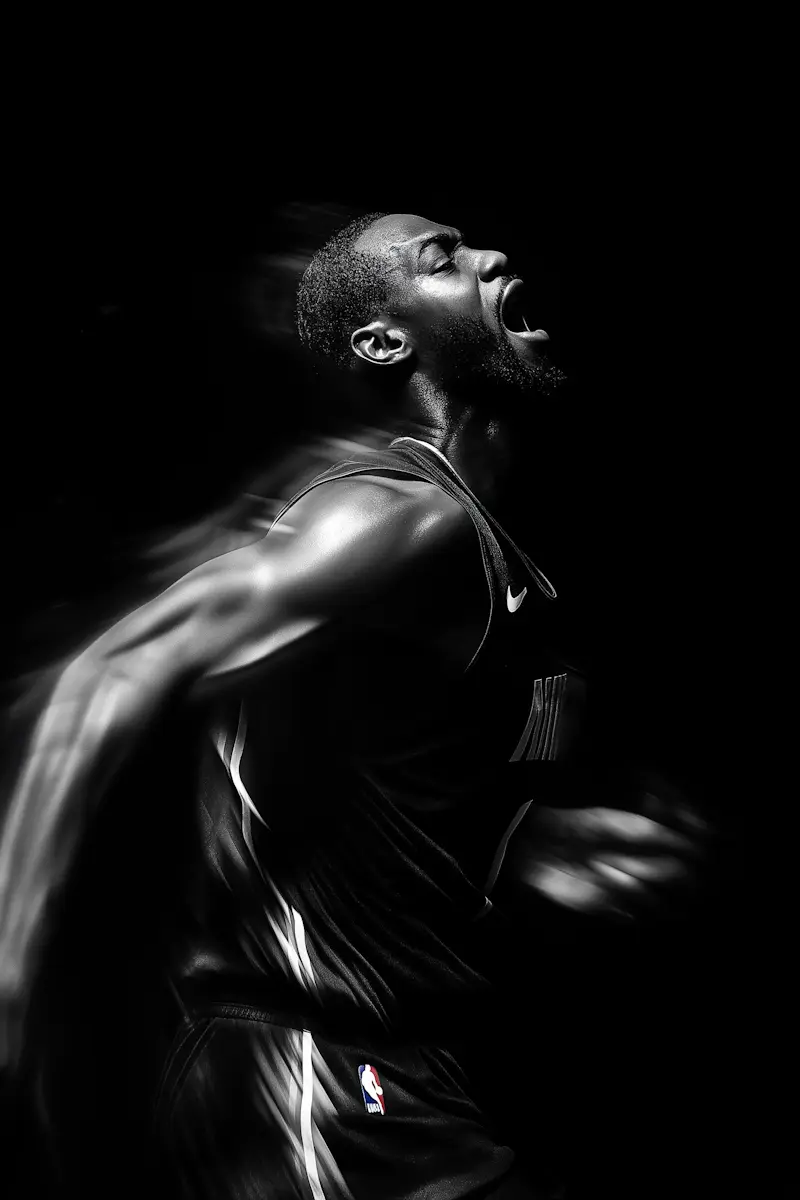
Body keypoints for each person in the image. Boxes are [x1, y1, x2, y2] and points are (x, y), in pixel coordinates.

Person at [0, 212, 706, 1199]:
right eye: (441, 258)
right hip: (307, 1074)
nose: (491, 255)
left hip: (410, 1075)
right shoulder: (390, 512)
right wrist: (11, 983)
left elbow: (376, 781)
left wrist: (535, 842)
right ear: (383, 342)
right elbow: (109, 676)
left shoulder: (508, 570)